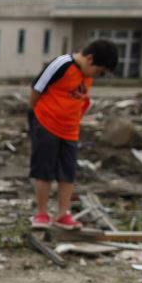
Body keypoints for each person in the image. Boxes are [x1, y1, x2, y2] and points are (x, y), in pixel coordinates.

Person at [27, 39, 118, 230]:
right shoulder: (61, 65)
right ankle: (42, 213)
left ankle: (62, 214)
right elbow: (37, 89)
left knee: (67, 174)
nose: (97, 75)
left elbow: (81, 100)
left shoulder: (86, 76)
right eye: (99, 71)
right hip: (47, 124)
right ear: (89, 58)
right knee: (44, 171)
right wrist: (37, 117)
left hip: (70, 130)